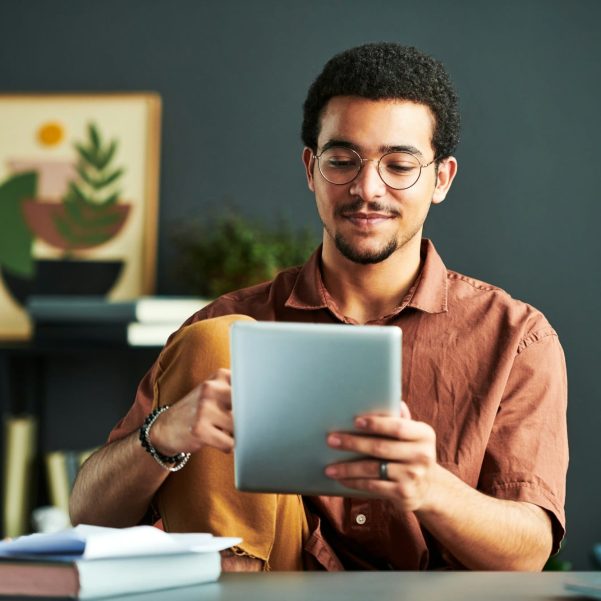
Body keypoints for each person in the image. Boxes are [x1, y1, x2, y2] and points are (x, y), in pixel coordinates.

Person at [70, 43, 568, 571]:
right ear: (311, 168)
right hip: (262, 587)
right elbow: (88, 516)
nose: (367, 188)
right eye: (341, 161)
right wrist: (164, 433)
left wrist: (430, 487)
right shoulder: (223, 327)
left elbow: (530, 552)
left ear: (441, 179)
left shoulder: (516, 337)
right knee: (217, 344)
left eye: (399, 165)